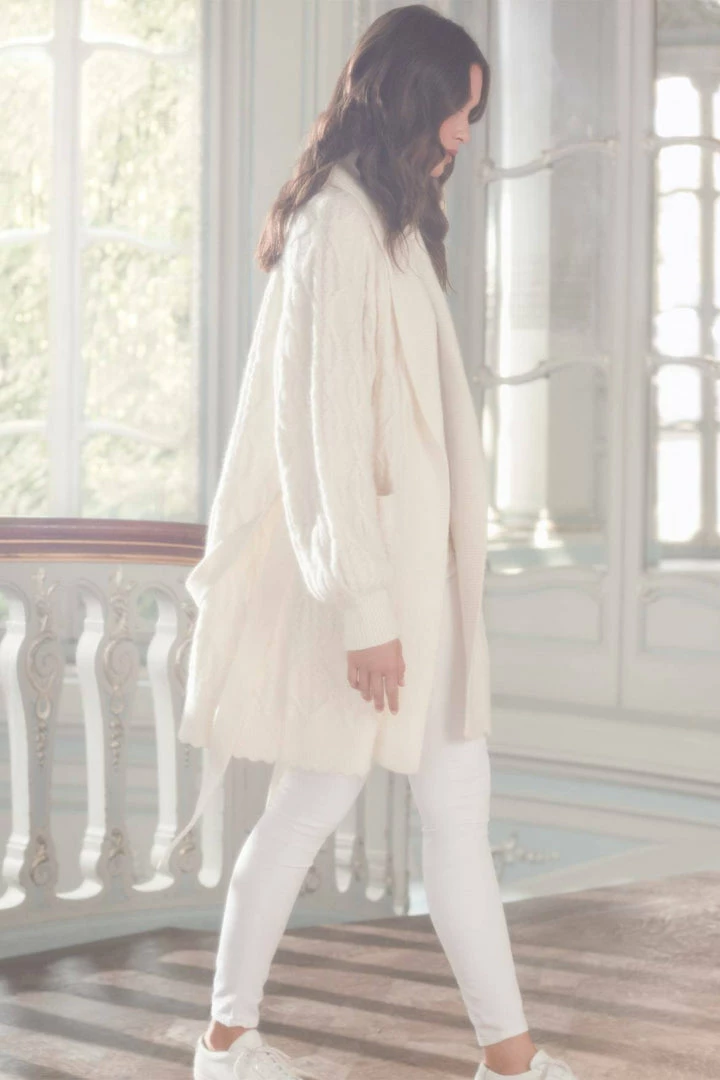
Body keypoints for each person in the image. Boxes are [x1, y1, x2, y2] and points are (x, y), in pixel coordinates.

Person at [185, 6, 581, 1080]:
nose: (464, 132)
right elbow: (322, 436)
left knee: (455, 814)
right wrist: (366, 611)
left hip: (428, 590)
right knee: (308, 806)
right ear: (412, 95)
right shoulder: (337, 228)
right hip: (373, 597)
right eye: (459, 109)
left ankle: (511, 1059)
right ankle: (225, 1041)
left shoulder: (392, 226)